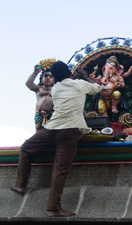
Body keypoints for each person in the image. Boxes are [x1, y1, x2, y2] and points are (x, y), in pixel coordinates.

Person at [11, 61, 102, 217]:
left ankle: (20, 185)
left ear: (55, 77)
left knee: (26, 148)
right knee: (60, 169)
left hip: (51, 129)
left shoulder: (56, 88)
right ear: (68, 73)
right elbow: (98, 88)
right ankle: (53, 207)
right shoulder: (80, 84)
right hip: (70, 131)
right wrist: (86, 76)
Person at [26, 59, 56, 132]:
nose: (48, 77)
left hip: (52, 114)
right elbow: (28, 84)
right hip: (39, 114)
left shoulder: (56, 89)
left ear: (54, 79)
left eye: (51, 76)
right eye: (46, 76)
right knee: (39, 132)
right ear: (41, 78)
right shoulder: (38, 88)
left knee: (51, 133)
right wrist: (35, 73)